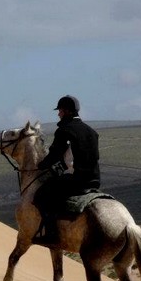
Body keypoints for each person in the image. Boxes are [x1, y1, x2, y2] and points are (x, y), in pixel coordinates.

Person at [33, 95, 101, 246]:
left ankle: (51, 235)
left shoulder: (64, 130)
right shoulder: (91, 131)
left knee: (42, 195)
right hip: (95, 180)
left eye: (61, 111)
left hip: (76, 180)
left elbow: (55, 154)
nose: (59, 114)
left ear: (68, 112)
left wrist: (40, 166)